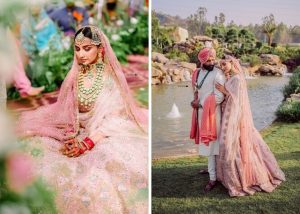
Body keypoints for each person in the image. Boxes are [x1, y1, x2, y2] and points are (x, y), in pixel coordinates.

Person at [16, 25, 148, 213]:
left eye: (87, 48)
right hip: (76, 129)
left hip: (104, 132)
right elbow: (66, 110)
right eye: (77, 49)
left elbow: (113, 118)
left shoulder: (111, 78)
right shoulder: (74, 76)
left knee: (108, 162)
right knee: (32, 152)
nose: (81, 54)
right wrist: (70, 135)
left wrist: (87, 143)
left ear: (100, 49)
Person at [215, 56, 285, 196]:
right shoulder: (231, 77)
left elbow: (238, 100)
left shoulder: (238, 79)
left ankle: (240, 178)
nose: (222, 66)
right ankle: (225, 175)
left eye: (224, 64)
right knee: (229, 145)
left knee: (231, 145)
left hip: (235, 117)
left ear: (232, 63)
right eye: (221, 64)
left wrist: (224, 91)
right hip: (228, 115)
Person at [190, 47, 226, 192]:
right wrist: (195, 101)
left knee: (211, 146)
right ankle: (213, 170)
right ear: (202, 61)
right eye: (208, 60)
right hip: (200, 113)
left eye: (213, 59)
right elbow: (195, 91)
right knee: (209, 145)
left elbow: (219, 96)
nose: (212, 62)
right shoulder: (196, 73)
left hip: (212, 115)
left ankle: (213, 178)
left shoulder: (218, 74)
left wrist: (200, 103)